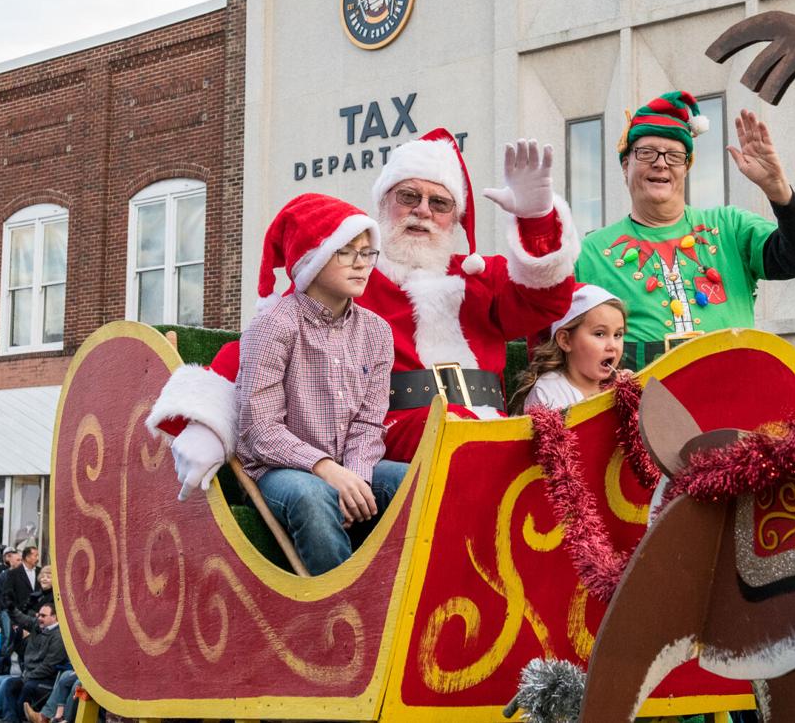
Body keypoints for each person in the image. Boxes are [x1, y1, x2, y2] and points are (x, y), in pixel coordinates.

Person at [147, 129, 579, 498]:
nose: (423, 211)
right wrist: (209, 423)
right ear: (382, 203)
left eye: (439, 203)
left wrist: (537, 220)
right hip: (398, 435)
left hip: (491, 432)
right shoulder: (350, 278)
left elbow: (549, 302)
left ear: (456, 217)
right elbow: (264, 341)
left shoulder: (482, 278)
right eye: (408, 196)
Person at [575, 91, 795, 369]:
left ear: (686, 167)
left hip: (732, 401)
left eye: (674, 155)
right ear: (625, 165)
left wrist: (778, 190)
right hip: (639, 408)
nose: (661, 162)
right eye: (646, 153)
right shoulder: (590, 253)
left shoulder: (730, 227)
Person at [231, 193, 405, 576]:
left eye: (367, 252)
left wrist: (356, 477)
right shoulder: (275, 325)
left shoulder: (377, 332)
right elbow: (259, 429)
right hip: (277, 470)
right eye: (346, 251)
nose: (362, 264)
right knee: (312, 496)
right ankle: (341, 611)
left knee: (412, 482)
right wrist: (326, 468)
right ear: (313, 257)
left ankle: (399, 591)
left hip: (347, 465)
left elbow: (368, 423)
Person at [508, 284, 627, 413]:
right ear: (565, 340)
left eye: (618, 335)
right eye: (599, 334)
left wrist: (631, 396)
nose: (613, 346)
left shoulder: (618, 387)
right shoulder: (548, 392)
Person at [0, 601, 66, 723]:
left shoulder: (59, 636)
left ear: (54, 617)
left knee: (27, 687)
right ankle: (11, 719)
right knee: (9, 684)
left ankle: (21, 718)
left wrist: (29, 676)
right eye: (38, 615)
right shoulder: (37, 625)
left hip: (47, 679)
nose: (39, 618)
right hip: (30, 676)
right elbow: (22, 619)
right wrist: (12, 609)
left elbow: (49, 666)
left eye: (43, 616)